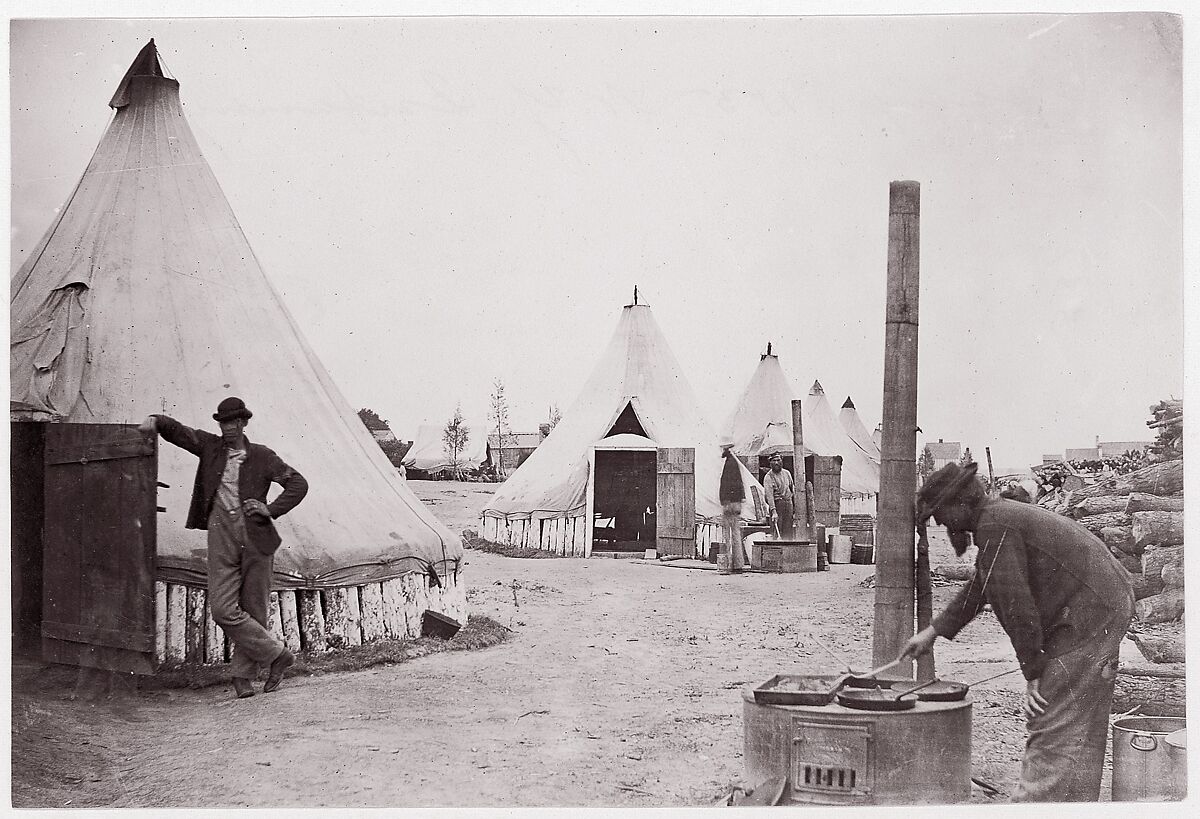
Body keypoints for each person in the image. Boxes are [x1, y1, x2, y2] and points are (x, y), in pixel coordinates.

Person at [898, 463, 1134, 802]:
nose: (941, 522)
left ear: (962, 503)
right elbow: (982, 584)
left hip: (1092, 611)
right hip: (1104, 601)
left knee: (1049, 717)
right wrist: (933, 632)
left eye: (941, 512)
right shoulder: (997, 518)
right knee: (1079, 719)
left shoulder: (996, 524)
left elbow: (1014, 604)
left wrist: (1034, 671)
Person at [140, 397, 308, 699]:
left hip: (257, 541)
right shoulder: (210, 448)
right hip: (221, 538)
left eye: (232, 422)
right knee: (222, 609)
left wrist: (271, 510)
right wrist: (157, 420)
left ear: (243, 423)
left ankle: (243, 676)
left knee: (255, 610)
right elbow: (182, 433)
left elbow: (298, 484)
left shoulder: (263, 456)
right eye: (222, 422)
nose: (227, 428)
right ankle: (279, 655)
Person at [718, 443, 746, 573]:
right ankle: (736, 563)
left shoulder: (730, 464)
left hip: (730, 504)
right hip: (733, 503)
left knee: (730, 535)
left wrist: (727, 502)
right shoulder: (731, 462)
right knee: (734, 533)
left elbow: (729, 484)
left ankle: (731, 564)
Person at [761, 453, 796, 538]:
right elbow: (769, 496)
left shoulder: (787, 473)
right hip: (777, 505)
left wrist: (795, 507)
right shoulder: (768, 477)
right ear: (770, 463)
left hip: (789, 504)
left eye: (778, 460)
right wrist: (774, 512)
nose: (776, 463)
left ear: (781, 461)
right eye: (774, 461)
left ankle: (788, 549)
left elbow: (793, 489)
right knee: (776, 532)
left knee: (788, 531)